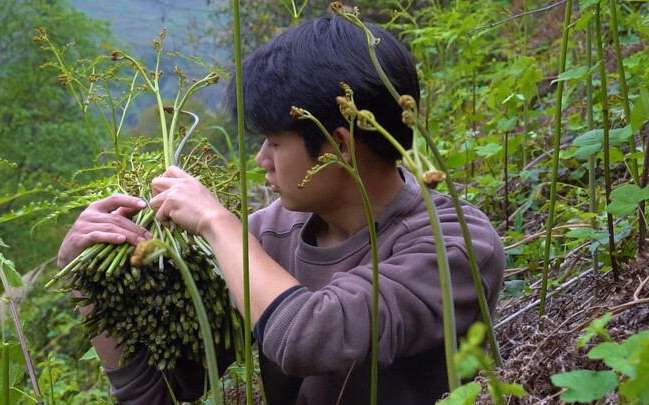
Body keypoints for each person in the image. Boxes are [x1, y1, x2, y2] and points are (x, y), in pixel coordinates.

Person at [57, 13, 505, 405]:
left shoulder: (456, 244)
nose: (261, 160)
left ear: (339, 147)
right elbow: (163, 392)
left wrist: (218, 224)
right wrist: (88, 280)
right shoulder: (265, 236)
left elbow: (315, 337)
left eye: (274, 142)